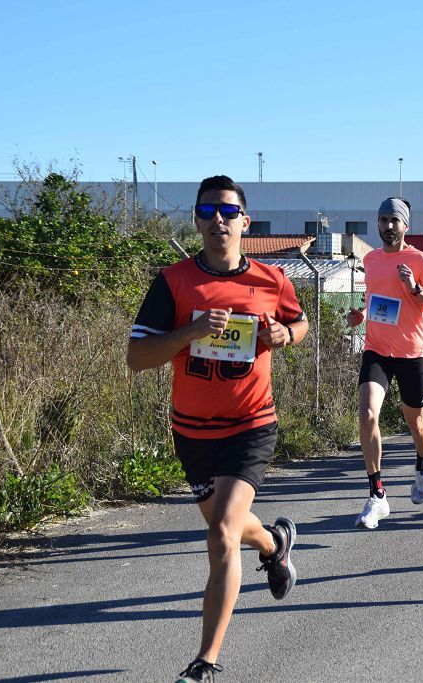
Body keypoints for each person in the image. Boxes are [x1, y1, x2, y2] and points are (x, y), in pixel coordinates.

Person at [127, 176, 307, 683]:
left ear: (245, 222)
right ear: (197, 220)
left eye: (228, 212)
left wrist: (284, 335)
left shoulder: (272, 279)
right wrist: (190, 331)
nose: (218, 220)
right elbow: (137, 357)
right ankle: (274, 544)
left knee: (223, 534)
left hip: (251, 425)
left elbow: (300, 324)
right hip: (192, 432)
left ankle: (205, 662)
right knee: (225, 529)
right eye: (208, 211)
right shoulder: (173, 282)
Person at [346, 198, 423, 529]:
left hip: (411, 352)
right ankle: (377, 494)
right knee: (366, 415)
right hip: (376, 349)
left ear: (406, 226)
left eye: (394, 220)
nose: (388, 226)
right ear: (377, 224)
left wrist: (416, 289)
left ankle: (422, 462)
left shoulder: (420, 260)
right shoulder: (371, 259)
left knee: (415, 422)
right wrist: (360, 315)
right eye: (383, 220)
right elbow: (374, 299)